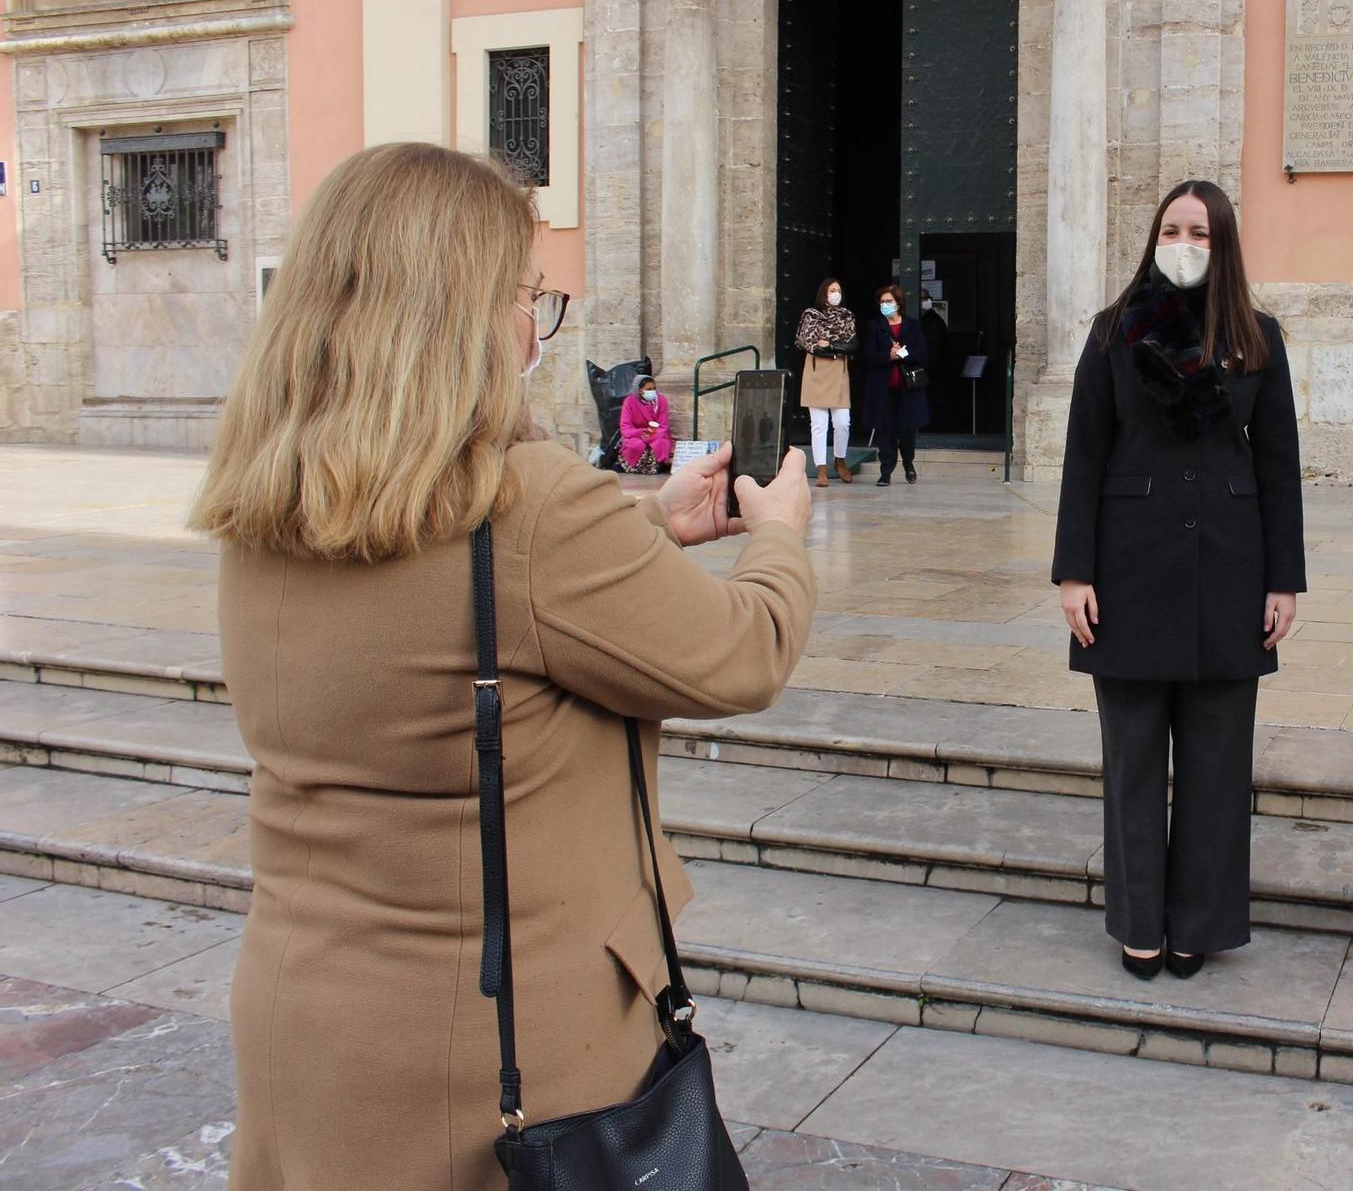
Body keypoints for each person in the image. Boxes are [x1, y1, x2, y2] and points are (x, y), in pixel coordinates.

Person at [189, 143, 818, 1190]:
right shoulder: (529, 504)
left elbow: (455, 616)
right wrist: (781, 536)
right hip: (504, 1053)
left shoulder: (271, 499)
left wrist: (643, 532)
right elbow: (741, 655)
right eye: (525, 295)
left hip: (307, 1022)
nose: (535, 325)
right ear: (456, 312)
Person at [1053, 179, 1306, 982]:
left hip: (1231, 573)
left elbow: (1278, 466)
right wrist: (1073, 572)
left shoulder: (1258, 338)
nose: (1185, 241)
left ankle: (1199, 919)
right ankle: (1139, 921)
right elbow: (1084, 456)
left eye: (1199, 229)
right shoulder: (1113, 333)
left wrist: (1284, 580)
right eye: (1172, 227)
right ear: (1153, 237)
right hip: (1127, 573)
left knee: (1216, 763)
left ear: (1222, 240)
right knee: (1131, 760)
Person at [863, 283, 929, 485]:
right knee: (885, 432)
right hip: (883, 389)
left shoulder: (912, 325)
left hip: (907, 388)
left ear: (898, 303)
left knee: (907, 431)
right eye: (882, 302)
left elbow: (922, 354)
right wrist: (888, 355)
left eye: (889, 301)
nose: (885, 305)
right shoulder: (875, 326)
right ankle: (886, 472)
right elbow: (869, 354)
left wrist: (902, 354)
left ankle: (908, 464)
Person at [796, 277, 857, 487]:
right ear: (824, 293)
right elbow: (809, 343)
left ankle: (840, 460)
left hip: (839, 372)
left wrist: (830, 344)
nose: (836, 294)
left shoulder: (847, 317)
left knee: (842, 422)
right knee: (819, 425)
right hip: (817, 372)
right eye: (832, 290)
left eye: (838, 290)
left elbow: (852, 345)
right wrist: (835, 346)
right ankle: (821, 468)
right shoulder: (811, 316)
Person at [618, 374, 674, 473]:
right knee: (635, 445)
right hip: (635, 435)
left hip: (656, 434)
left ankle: (653, 468)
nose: (652, 392)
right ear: (639, 390)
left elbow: (663, 426)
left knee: (661, 443)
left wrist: (651, 436)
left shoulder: (661, 401)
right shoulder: (629, 402)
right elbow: (625, 428)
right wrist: (642, 433)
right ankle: (634, 467)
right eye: (648, 389)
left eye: (654, 388)